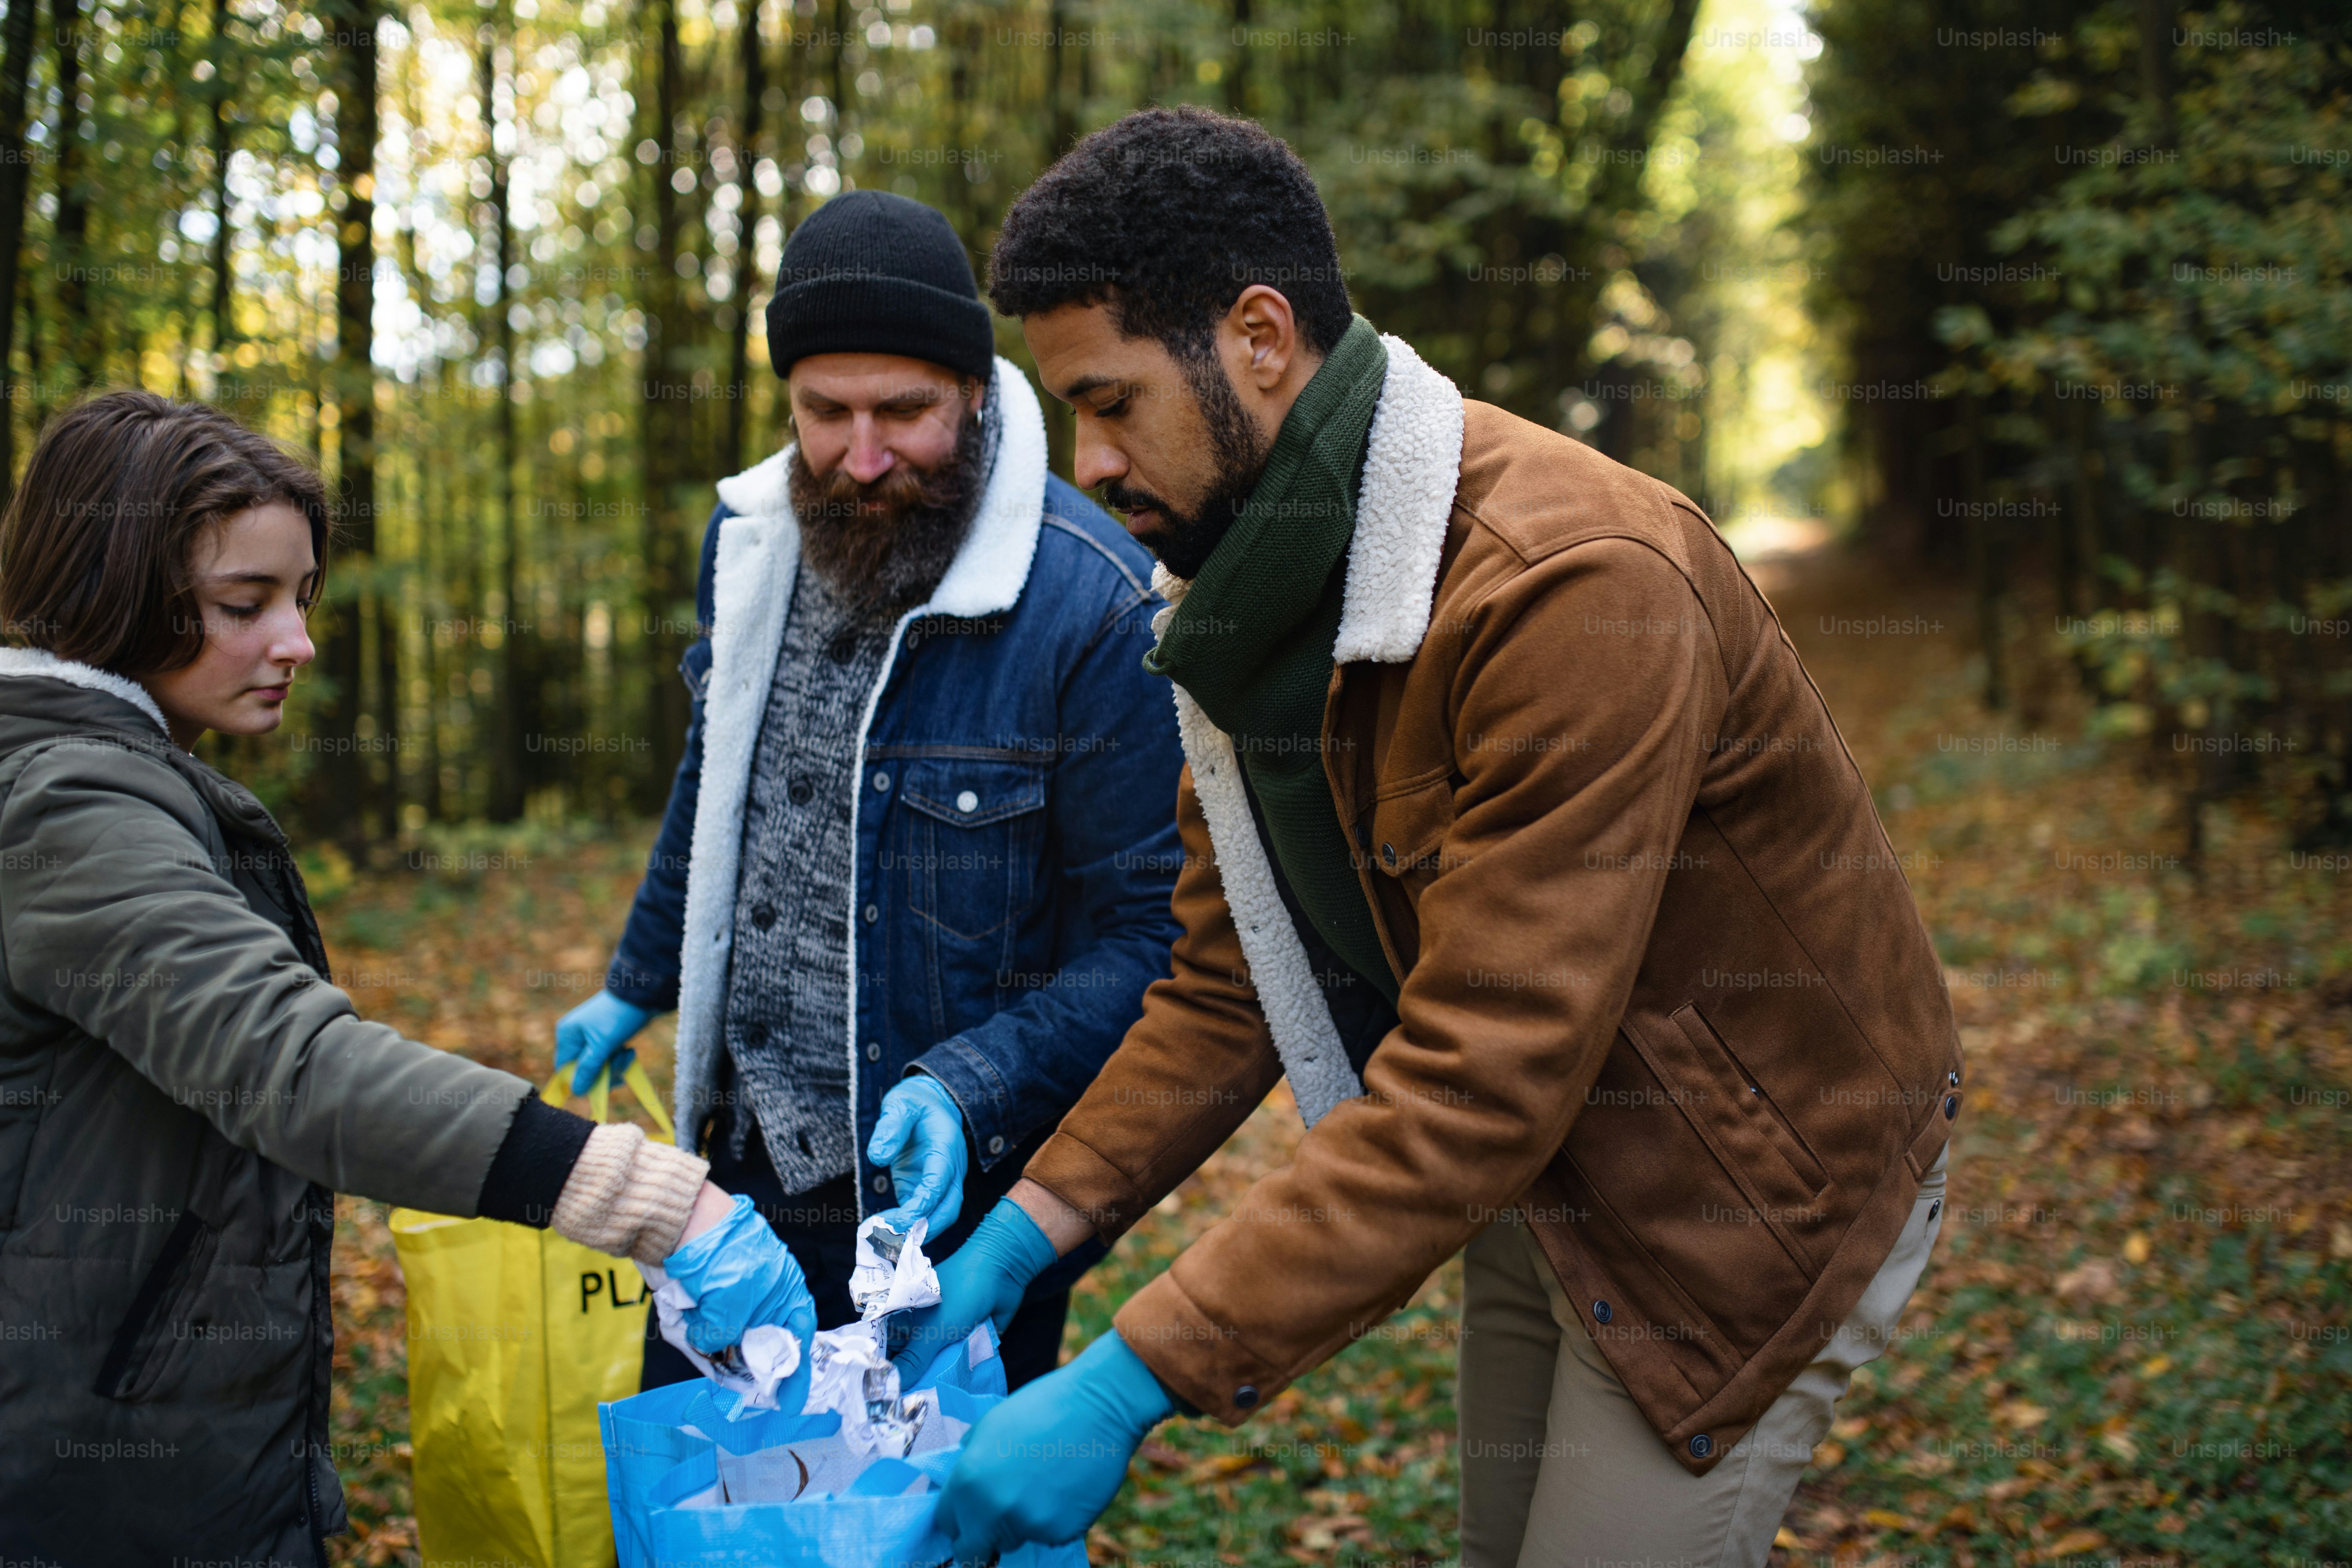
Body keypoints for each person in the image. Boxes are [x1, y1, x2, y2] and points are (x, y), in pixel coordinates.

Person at [896, 107, 1964, 1568]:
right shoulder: (1239, 596)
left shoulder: (1572, 583)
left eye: (1111, 401)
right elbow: (1225, 984)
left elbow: (1484, 1065)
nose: (1088, 461)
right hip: (1543, 1161)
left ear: (1259, 339)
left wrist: (1123, 1384)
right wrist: (1026, 1234)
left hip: (1741, 1184)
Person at [0, 392, 812, 1565]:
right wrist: (651, 1202)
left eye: (303, 598)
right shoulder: (69, 803)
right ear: (112, 590)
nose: (299, 641)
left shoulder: (113, 776)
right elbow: (287, 1063)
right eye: (246, 604)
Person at [549, 190, 1184, 1391]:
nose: (862, 454)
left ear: (979, 392)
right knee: (714, 1523)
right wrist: (633, 982)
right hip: (732, 1180)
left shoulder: (1093, 604)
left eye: (905, 412)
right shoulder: (747, 543)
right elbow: (717, 782)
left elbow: (1153, 937)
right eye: (822, 413)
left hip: (942, 1220)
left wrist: (967, 1082)